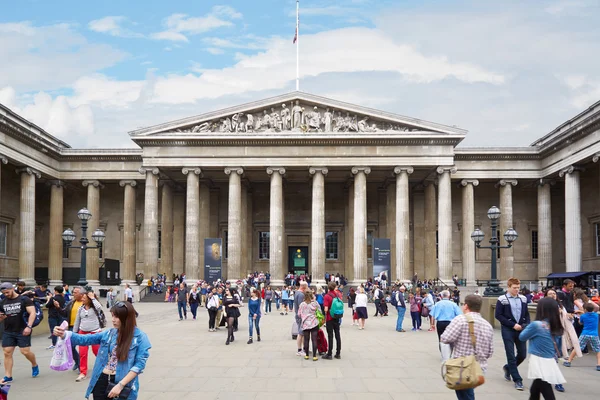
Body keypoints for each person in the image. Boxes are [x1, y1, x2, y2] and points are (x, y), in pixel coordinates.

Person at [54, 301, 151, 400]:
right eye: (112, 316)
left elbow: (139, 366)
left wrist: (120, 385)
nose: (113, 320)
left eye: (117, 317)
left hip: (122, 382)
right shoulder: (109, 333)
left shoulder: (140, 338)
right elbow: (85, 339)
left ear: (127, 318)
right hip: (101, 379)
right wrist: (64, 334)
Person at [441, 294, 494, 400]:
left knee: (466, 396)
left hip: (462, 368)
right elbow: (490, 352)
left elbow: (445, 338)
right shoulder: (487, 325)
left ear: (465, 306)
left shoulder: (460, 320)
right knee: (466, 394)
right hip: (479, 369)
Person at [519, 297, 565, 400]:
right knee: (537, 386)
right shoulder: (556, 325)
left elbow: (522, 337)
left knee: (544, 385)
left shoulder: (537, 325)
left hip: (538, 357)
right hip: (550, 358)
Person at [0, 282, 39, 384]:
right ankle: (8, 376)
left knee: (25, 351)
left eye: (7, 292)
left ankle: (34, 364)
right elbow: (1, 316)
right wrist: (1, 317)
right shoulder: (3, 301)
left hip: (22, 329)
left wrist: (29, 326)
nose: (6, 294)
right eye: (4, 293)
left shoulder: (23, 299)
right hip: (8, 330)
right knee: (7, 352)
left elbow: (32, 313)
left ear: (12, 289)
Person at [495, 277, 530, 391]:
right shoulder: (502, 299)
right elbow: (498, 315)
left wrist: (525, 324)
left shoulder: (523, 299)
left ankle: (508, 368)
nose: (517, 290)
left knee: (522, 354)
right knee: (510, 354)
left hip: (520, 329)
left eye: (518, 288)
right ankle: (517, 380)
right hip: (508, 329)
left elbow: (527, 314)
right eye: (514, 288)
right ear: (508, 287)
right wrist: (512, 324)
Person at [73, 289, 103, 382]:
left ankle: (103, 369)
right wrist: (74, 334)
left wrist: (93, 298)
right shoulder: (80, 309)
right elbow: (77, 321)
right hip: (83, 333)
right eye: (82, 297)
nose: (82, 299)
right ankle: (83, 372)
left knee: (97, 352)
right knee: (82, 353)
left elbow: (100, 307)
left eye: (84, 298)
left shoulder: (95, 307)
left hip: (95, 332)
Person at [563, 302, 600, 371]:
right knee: (598, 349)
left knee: (577, 347)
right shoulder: (596, 315)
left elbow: (580, 322)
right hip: (594, 334)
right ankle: (599, 364)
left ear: (585, 309)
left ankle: (569, 361)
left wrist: (580, 313)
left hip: (585, 333)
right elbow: (596, 307)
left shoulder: (583, 316)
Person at [63, 286, 84, 373]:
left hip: (82, 327)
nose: (73, 294)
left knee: (83, 348)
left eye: (75, 292)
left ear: (81, 294)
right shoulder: (72, 302)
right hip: (72, 327)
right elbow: (64, 313)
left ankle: (81, 365)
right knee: (70, 347)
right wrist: (57, 307)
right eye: (73, 292)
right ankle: (78, 362)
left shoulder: (85, 303)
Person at [298, 290, 320, 361]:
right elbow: (320, 311)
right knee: (314, 340)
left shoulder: (302, 304)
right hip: (314, 323)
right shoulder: (315, 303)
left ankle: (307, 355)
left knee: (306, 340)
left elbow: (299, 314)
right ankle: (314, 356)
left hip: (305, 324)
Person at [323, 282, 342, 359]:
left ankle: (329, 353)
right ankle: (338, 353)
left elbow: (326, 309)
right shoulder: (337, 295)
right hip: (337, 317)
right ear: (334, 287)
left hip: (329, 318)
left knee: (330, 336)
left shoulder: (327, 296)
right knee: (337, 335)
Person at [45, 285, 66, 349]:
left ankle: (54, 344)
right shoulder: (63, 298)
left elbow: (47, 305)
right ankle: (61, 342)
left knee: (53, 330)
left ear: (56, 291)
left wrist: (49, 299)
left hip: (53, 315)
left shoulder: (54, 298)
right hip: (60, 315)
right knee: (60, 330)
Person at [294, 282, 308, 356]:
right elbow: (301, 306)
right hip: (301, 316)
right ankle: (300, 349)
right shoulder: (301, 294)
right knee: (300, 333)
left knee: (302, 333)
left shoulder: (297, 293)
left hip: (299, 315)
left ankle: (304, 349)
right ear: (304, 286)